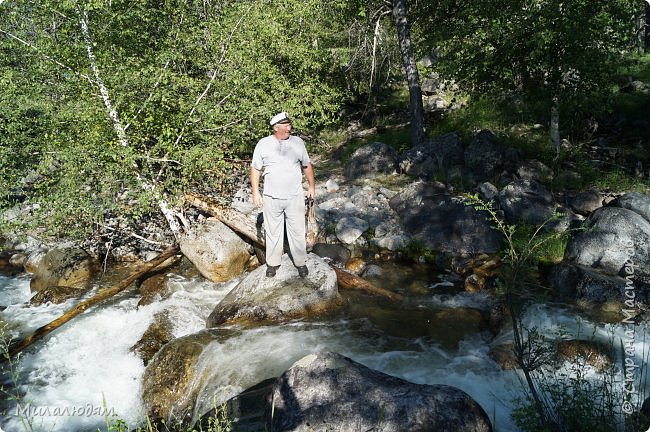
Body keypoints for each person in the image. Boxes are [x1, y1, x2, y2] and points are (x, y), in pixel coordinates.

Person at [250, 112, 315, 278]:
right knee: (273, 232)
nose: (289, 128)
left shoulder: (298, 142)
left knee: (297, 230)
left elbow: (306, 165)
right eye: (285, 126)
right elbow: (255, 169)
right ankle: (272, 264)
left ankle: (300, 263)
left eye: (289, 125)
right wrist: (256, 192)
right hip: (271, 197)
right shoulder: (263, 144)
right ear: (275, 127)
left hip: (294, 196)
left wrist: (311, 187)